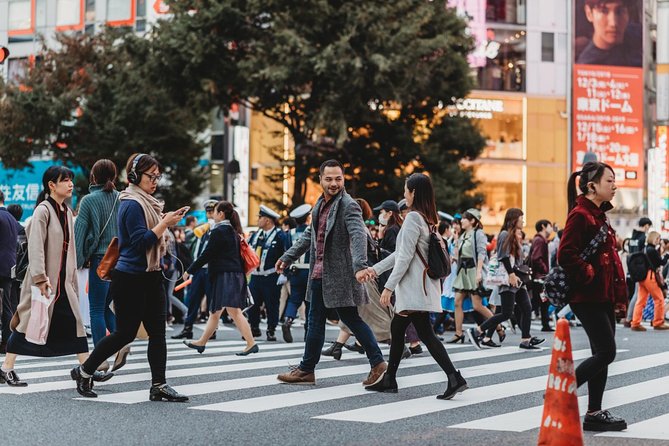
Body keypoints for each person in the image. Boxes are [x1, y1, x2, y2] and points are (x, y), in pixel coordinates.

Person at [74, 153, 189, 401]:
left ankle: (159, 384)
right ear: (135, 176)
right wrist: (165, 223)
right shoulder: (131, 203)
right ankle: (85, 371)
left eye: (158, 176)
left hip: (151, 275)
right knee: (125, 333)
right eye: (151, 176)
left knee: (157, 333)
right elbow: (138, 243)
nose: (155, 181)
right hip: (129, 278)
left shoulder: (148, 202)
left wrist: (166, 222)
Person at [275, 159, 387, 386]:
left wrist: (359, 266)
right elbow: (309, 236)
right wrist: (287, 257)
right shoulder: (320, 204)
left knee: (344, 319)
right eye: (329, 179)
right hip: (320, 274)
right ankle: (308, 369)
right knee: (322, 320)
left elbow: (358, 235)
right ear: (320, 180)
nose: (334, 183)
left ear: (343, 179)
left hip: (341, 276)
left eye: (338, 178)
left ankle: (376, 363)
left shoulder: (348, 204)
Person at [1, 166, 112, 387]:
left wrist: (71, 278)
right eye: (65, 180)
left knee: (75, 325)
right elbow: (35, 248)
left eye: (71, 180)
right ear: (51, 185)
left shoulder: (66, 211)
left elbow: (69, 250)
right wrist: (41, 278)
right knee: (26, 326)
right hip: (45, 283)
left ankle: (86, 368)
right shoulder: (43, 211)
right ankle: (6, 368)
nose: (70, 184)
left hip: (63, 283)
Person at [363, 173, 467, 399]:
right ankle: (391, 378)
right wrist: (374, 270)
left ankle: (453, 377)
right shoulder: (427, 219)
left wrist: (388, 287)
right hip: (419, 288)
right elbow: (401, 254)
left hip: (413, 289)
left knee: (423, 334)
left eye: (406, 190)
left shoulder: (413, 219)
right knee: (399, 330)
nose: (403, 194)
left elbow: (404, 257)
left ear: (414, 192)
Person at [558, 161, 628, 432]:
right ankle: (562, 389)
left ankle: (594, 413)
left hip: (602, 294)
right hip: (587, 296)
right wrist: (588, 271)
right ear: (592, 186)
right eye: (609, 181)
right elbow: (565, 254)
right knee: (606, 352)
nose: (614, 186)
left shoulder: (598, 215)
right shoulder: (580, 215)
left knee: (601, 352)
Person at [322, 198, 397, 360]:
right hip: (364, 274)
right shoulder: (362, 228)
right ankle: (338, 346)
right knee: (354, 312)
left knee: (373, 313)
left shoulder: (358, 228)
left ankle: (396, 343)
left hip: (364, 275)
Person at [183, 201, 258, 355]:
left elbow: (207, 253)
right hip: (232, 275)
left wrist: (190, 270)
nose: (212, 215)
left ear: (221, 214)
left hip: (226, 275)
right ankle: (202, 342)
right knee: (219, 312)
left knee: (229, 311)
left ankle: (250, 343)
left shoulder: (220, 230)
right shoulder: (232, 230)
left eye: (215, 211)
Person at [466, 209, 544, 350]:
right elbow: (503, 256)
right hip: (508, 279)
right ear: (514, 219)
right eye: (521, 218)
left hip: (517, 279)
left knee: (527, 307)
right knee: (506, 313)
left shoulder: (513, 235)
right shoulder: (504, 234)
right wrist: (511, 274)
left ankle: (526, 339)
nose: (523, 221)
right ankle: (477, 331)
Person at [73, 159, 122, 371]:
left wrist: (77, 262)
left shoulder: (88, 201)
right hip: (122, 261)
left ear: (93, 177)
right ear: (114, 176)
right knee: (104, 306)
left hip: (101, 261)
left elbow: (79, 235)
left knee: (95, 308)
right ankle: (122, 342)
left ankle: (100, 358)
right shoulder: (123, 198)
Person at [172, 199, 218, 340]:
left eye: (211, 212)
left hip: (211, 269)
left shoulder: (217, 229)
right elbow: (196, 248)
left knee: (211, 302)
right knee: (193, 299)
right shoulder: (203, 228)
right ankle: (188, 328)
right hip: (198, 270)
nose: (209, 215)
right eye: (207, 212)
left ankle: (212, 330)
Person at [448, 208, 494, 344]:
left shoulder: (478, 234)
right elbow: (460, 255)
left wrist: (479, 272)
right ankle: (458, 333)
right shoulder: (463, 235)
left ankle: (497, 326)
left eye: (464, 219)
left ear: (473, 221)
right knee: (457, 302)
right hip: (463, 272)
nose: (461, 221)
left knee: (477, 305)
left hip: (474, 271)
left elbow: (481, 254)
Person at [248, 205, 288, 341]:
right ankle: (254, 328)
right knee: (253, 304)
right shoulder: (255, 235)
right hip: (256, 276)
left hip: (271, 276)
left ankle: (271, 330)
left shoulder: (280, 235)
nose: (258, 220)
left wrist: (284, 273)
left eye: (260, 218)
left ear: (268, 220)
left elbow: (287, 254)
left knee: (272, 305)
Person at [577, 0, 641, 67]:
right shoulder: (588, 66)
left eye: (620, 11)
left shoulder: (639, 35)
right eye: (604, 11)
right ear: (589, 13)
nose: (613, 23)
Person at [282, 204, 312, 343]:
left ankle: (288, 320)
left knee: (294, 300)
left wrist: (286, 272)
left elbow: (287, 253)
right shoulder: (312, 231)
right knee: (310, 302)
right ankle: (308, 331)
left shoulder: (290, 234)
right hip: (310, 271)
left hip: (295, 271)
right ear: (307, 218)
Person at [629, 231, 669, 331]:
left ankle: (635, 322)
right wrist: (667, 254)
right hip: (650, 276)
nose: (659, 241)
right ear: (654, 238)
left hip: (642, 277)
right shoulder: (652, 250)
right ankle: (658, 322)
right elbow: (661, 262)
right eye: (658, 239)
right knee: (659, 299)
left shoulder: (645, 249)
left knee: (641, 300)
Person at [0, 190, 19, 354]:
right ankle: (6, 341)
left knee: (5, 305)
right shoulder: (11, 218)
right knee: (6, 305)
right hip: (9, 266)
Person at [530, 219, 554, 332]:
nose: (552, 228)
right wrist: (545, 271)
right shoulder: (540, 240)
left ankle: (545, 324)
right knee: (541, 301)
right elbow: (536, 258)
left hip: (539, 277)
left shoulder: (540, 240)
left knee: (541, 300)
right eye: (550, 226)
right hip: (540, 277)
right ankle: (545, 324)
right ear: (543, 227)